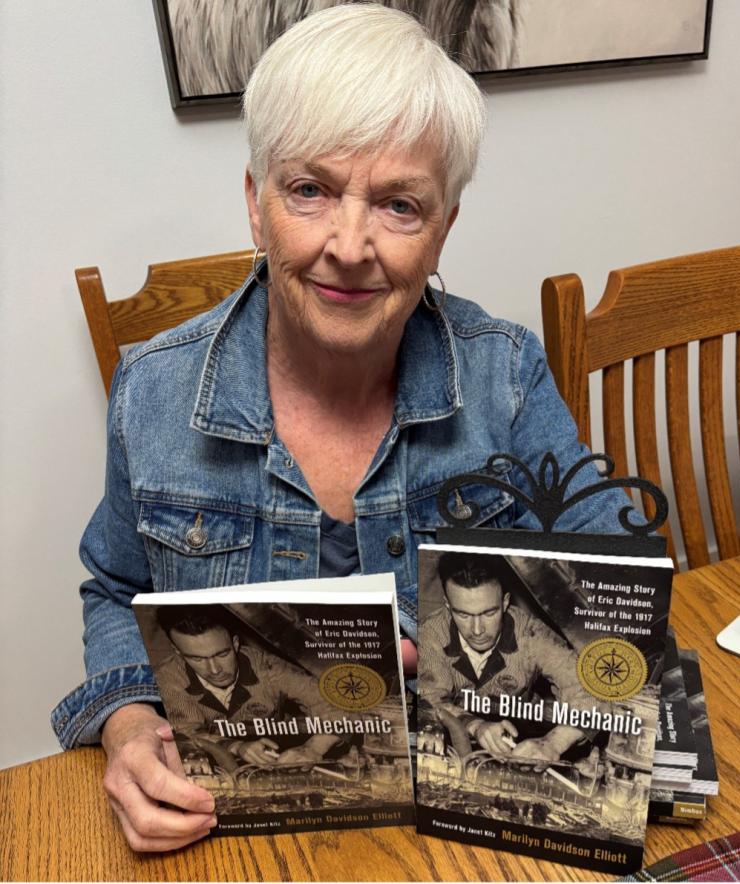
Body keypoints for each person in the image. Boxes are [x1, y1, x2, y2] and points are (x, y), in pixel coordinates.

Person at [52, 4, 642, 852]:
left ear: (444, 230)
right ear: (257, 205)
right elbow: (114, 588)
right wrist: (126, 725)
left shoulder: (504, 374)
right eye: (309, 190)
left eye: (400, 205)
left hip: (468, 823)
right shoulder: (152, 389)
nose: (350, 243)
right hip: (238, 834)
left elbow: (611, 575)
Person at [417, 552, 593, 763]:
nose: (477, 630)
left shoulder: (531, 633)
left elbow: (589, 689)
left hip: (522, 741)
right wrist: (475, 725)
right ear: (448, 605)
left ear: (505, 602)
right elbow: (429, 700)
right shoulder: (430, 633)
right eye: (463, 615)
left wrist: (553, 743)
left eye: (489, 613)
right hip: (453, 744)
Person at [154, 607, 340, 768]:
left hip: (282, 757)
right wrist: (235, 746)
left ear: (235, 643)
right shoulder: (167, 679)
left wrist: (313, 748)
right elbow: (186, 733)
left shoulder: (268, 667)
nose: (214, 670)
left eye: (222, 654)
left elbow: (336, 703)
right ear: (178, 652)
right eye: (197, 659)